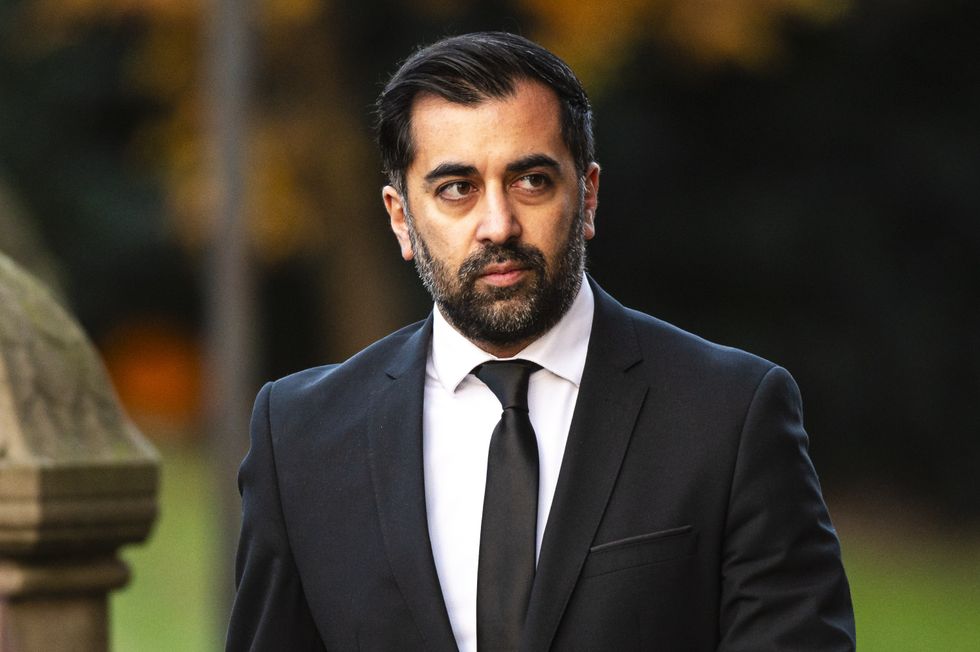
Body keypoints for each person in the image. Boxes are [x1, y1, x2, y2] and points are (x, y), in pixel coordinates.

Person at [227, 31, 855, 651]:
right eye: (456, 189)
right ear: (401, 218)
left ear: (587, 196)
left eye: (531, 180)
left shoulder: (731, 415)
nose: (497, 224)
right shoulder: (300, 437)